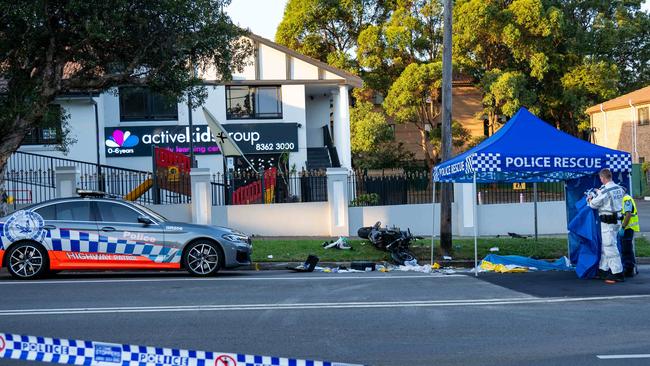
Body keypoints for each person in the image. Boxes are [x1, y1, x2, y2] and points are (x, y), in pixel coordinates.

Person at [587, 168, 625, 283]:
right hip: (617, 220)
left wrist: (590, 198)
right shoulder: (619, 188)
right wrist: (600, 192)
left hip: (608, 222)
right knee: (606, 247)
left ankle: (618, 273)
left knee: (610, 247)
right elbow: (615, 194)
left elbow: (593, 204)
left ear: (602, 178)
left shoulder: (604, 191)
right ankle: (603, 270)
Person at [620, 191, 640, 277]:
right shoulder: (626, 199)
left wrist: (623, 228)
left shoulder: (626, 199)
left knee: (626, 249)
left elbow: (628, 215)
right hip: (628, 227)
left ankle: (629, 269)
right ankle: (629, 267)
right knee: (626, 248)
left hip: (628, 228)